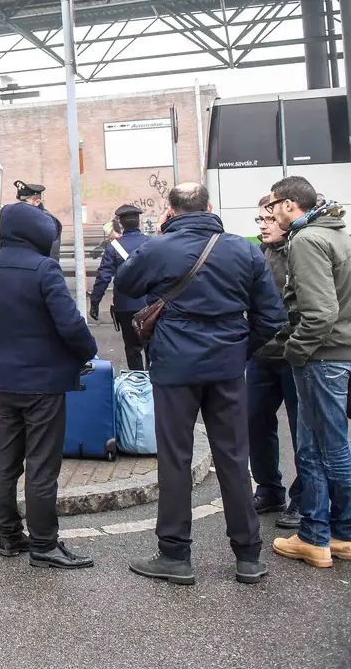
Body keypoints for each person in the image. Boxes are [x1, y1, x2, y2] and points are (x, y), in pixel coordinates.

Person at [117, 182, 285, 586]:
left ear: (170, 211)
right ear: (210, 206)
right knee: (233, 456)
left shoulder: (159, 247)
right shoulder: (243, 249)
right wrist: (240, 350)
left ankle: (175, 555)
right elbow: (273, 318)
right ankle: (248, 555)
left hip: (174, 366)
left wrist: (159, 237)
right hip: (227, 367)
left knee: (175, 457)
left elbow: (125, 284)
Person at [0, 202, 98, 570]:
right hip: (44, 383)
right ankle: (44, 544)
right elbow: (71, 325)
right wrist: (86, 351)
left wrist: (3, 351)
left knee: (6, 459)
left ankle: (10, 536)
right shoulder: (44, 268)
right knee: (42, 464)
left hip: (7, 381)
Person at [264, 176, 351, 570]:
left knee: (322, 448)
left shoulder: (306, 240)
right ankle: (330, 535)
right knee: (323, 446)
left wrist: (295, 352)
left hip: (322, 357)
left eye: (273, 205)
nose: (270, 213)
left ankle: (327, 535)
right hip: (338, 353)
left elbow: (319, 312)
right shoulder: (337, 233)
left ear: (287, 204)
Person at [247, 194, 302, 532]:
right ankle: (269, 489)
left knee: (302, 432)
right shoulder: (258, 254)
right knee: (255, 422)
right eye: (260, 221)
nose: (264, 226)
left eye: (269, 219)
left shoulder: (302, 250)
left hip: (295, 356)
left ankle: (303, 498)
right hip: (261, 355)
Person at [89, 204, 151, 371]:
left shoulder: (113, 247)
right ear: (138, 222)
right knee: (151, 346)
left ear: (121, 224)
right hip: (150, 306)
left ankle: (137, 383)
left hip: (125, 306)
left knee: (132, 349)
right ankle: (154, 385)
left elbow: (103, 277)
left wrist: (94, 303)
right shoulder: (151, 243)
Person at [15, 181, 63, 258]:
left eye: (25, 202)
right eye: (20, 202)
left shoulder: (45, 220)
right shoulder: (24, 217)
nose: (21, 205)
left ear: (37, 202)